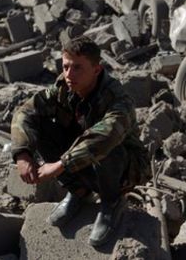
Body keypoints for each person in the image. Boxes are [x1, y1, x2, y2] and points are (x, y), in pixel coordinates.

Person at [11, 36, 150, 247]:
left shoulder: (117, 99)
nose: (68, 74)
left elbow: (104, 137)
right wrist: (22, 153)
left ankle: (111, 203)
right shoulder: (64, 88)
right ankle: (79, 192)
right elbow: (27, 111)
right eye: (65, 66)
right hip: (85, 162)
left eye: (77, 68)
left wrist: (60, 166)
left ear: (96, 70)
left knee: (106, 146)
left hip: (123, 168)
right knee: (42, 125)